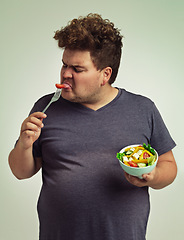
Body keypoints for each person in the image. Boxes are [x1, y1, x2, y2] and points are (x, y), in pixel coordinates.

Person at [8, 13, 177, 240]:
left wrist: (153, 175)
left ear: (105, 74)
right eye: (64, 65)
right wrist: (24, 145)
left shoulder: (143, 109)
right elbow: (21, 171)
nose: (66, 74)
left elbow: (169, 165)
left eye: (77, 69)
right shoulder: (46, 107)